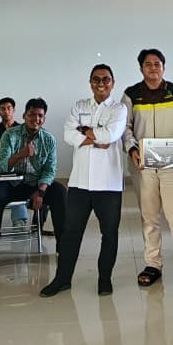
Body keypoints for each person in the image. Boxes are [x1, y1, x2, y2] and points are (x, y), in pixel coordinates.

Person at [40, 64, 127, 297]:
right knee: (71, 232)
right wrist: (97, 137)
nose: (101, 83)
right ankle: (62, 279)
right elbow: (68, 135)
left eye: (106, 79)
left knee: (109, 233)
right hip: (80, 183)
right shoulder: (79, 106)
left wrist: (85, 131)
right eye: (96, 79)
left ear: (113, 83)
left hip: (108, 183)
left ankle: (104, 279)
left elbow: (111, 135)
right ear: (90, 82)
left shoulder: (119, 109)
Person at [123, 48, 173, 288]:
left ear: (163, 67)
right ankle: (153, 264)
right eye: (148, 64)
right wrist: (132, 148)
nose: (153, 67)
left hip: (172, 162)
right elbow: (125, 128)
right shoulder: (131, 94)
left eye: (157, 63)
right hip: (144, 165)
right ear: (141, 68)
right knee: (149, 218)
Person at [0, 98, 67, 271]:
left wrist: (41, 192)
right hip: (11, 183)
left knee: (60, 192)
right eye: (32, 115)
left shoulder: (48, 139)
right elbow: (1, 166)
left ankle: (63, 247)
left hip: (35, 184)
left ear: (44, 118)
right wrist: (20, 154)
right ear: (24, 115)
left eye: (40, 116)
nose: (36, 119)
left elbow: (50, 170)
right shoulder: (10, 135)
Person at [0, 97, 27, 226]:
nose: (6, 111)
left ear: (14, 110)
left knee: (17, 184)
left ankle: (19, 219)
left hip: (18, 169)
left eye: (9, 108)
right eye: (3, 109)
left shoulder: (21, 128)